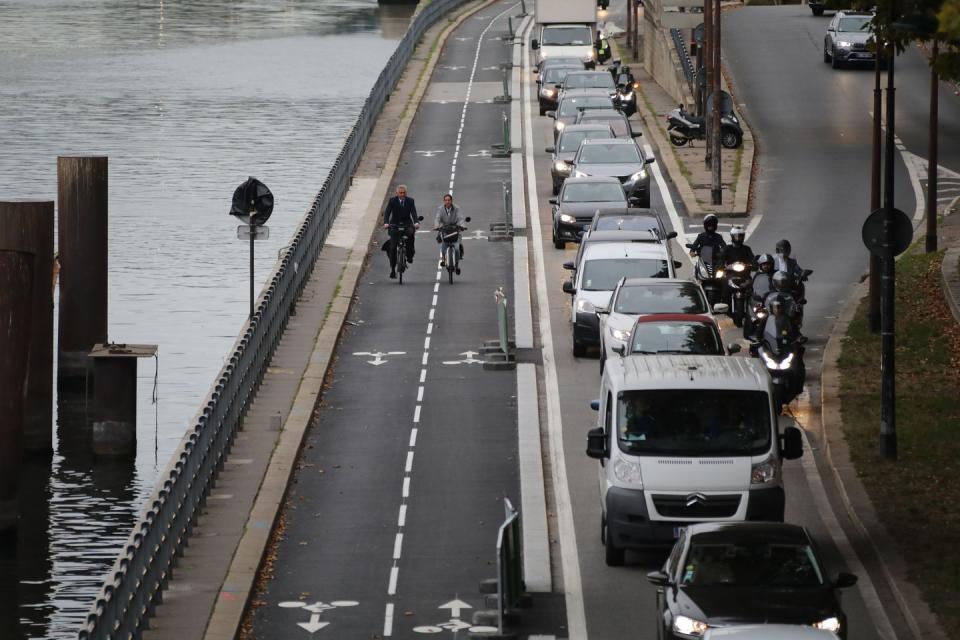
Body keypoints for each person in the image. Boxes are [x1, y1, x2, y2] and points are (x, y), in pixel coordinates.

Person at [383, 184, 419, 279]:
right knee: (393, 248)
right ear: (397, 193)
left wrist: (416, 222)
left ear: (406, 193)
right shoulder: (392, 201)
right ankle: (392, 270)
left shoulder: (410, 201)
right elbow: (387, 213)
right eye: (400, 193)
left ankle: (410, 255)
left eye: (404, 193)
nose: (402, 194)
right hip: (395, 225)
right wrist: (386, 223)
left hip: (407, 224)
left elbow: (413, 213)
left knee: (411, 237)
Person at [433, 194, 464, 273]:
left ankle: (456, 265)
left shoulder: (457, 208)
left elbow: (460, 218)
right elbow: (437, 218)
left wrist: (462, 226)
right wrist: (436, 226)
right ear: (444, 201)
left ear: (451, 201)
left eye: (449, 200)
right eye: (446, 200)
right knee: (444, 247)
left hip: (455, 230)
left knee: (457, 249)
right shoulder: (440, 209)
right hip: (445, 230)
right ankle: (443, 259)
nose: (447, 202)